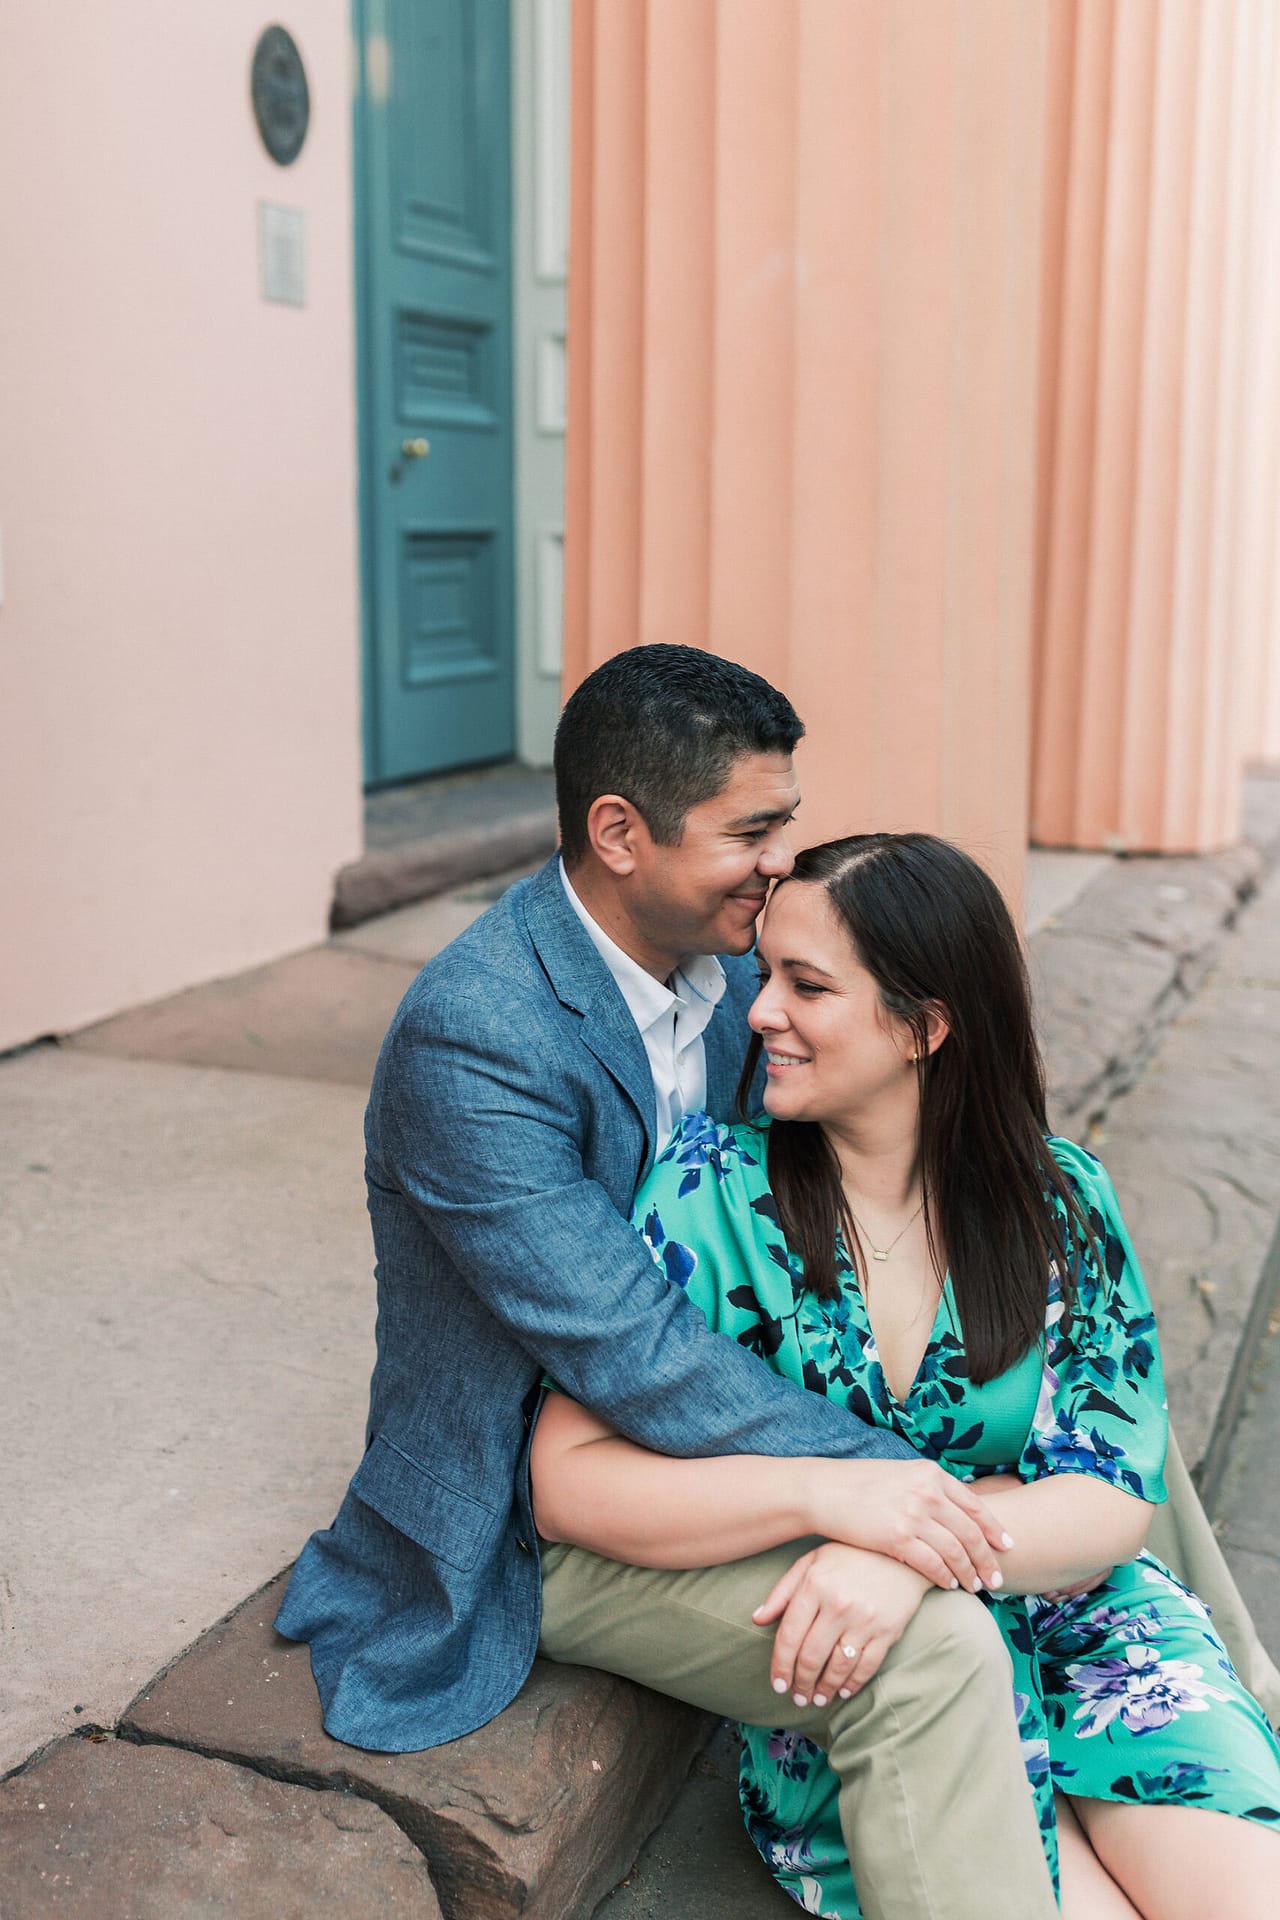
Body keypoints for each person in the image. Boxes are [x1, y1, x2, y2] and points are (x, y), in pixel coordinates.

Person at [275, 646, 1062, 1920]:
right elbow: (639, 1355)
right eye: (750, 831)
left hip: (743, 1428)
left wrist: (1010, 1416)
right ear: (618, 833)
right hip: (551, 1498)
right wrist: (913, 1486)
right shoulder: (478, 1036)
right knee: (928, 1644)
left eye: (785, 824)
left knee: (1091, 1398)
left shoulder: (748, 969)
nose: (780, 865)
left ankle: (1213, 1742)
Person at [530, 832, 1280, 1919]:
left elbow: (1111, 1496)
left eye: (806, 985)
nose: (757, 1012)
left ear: (922, 1026)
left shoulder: (1055, 1202)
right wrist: (838, 1511)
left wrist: (915, 1557)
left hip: (1088, 1632)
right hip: (878, 1665)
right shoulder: (706, 1198)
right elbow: (568, 1479)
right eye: (764, 974)